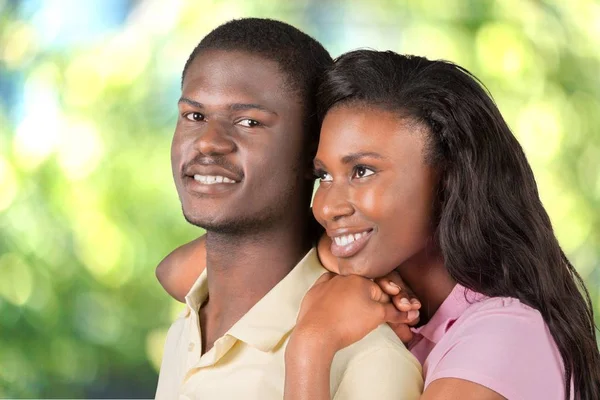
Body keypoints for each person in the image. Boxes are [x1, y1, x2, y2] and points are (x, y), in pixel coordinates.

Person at [157, 49, 600, 400]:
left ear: (448, 180)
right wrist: (330, 249)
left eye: (363, 172)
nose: (328, 205)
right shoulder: (386, 290)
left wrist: (312, 345)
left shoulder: (503, 336)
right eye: (324, 176)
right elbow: (177, 273)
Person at [154, 19, 423, 400]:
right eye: (194, 116)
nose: (208, 143)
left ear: (314, 150)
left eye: (249, 122)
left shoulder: (367, 359)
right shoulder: (187, 329)